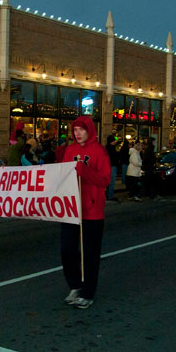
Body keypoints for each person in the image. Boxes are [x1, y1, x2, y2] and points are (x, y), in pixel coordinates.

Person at [59, 116, 111, 309]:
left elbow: (105, 180)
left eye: (81, 129)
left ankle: (88, 292)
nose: (77, 133)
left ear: (89, 130)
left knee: (89, 253)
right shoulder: (69, 150)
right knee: (67, 249)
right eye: (75, 130)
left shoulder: (99, 151)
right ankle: (74, 285)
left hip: (92, 210)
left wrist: (85, 171)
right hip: (71, 208)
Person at [105, 134, 120, 202]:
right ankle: (110, 195)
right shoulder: (111, 148)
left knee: (110, 181)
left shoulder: (107, 148)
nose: (115, 142)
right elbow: (114, 157)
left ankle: (109, 194)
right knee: (111, 181)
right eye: (114, 140)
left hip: (109, 165)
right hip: (112, 165)